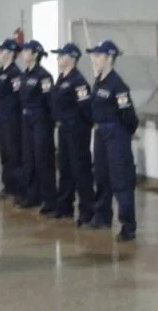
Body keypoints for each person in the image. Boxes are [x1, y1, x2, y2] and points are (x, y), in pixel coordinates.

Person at [85, 40, 139, 241]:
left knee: (121, 180)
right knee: (101, 176)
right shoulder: (98, 82)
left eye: (99, 56)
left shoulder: (118, 86)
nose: (95, 60)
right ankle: (102, 216)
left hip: (116, 135)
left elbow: (130, 117)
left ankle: (128, 226)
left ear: (109, 58)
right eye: (94, 56)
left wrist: (122, 134)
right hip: (100, 134)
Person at [50, 43, 94, 224]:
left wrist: (82, 126)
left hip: (77, 130)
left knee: (80, 170)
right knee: (65, 168)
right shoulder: (61, 78)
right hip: (64, 129)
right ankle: (65, 206)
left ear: (71, 58)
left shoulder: (79, 81)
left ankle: (87, 211)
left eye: (62, 55)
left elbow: (86, 108)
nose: (59, 58)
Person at [17, 40, 57, 213]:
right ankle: (32, 195)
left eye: (27, 51)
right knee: (29, 158)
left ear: (35, 54)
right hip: (27, 120)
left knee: (43, 159)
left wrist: (49, 122)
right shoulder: (24, 75)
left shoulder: (44, 76)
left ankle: (49, 199)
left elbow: (50, 102)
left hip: (41, 120)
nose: (24, 54)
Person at [0, 38, 23, 200]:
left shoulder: (15, 74)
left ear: (10, 53)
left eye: (2, 51)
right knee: (4, 151)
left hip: (12, 118)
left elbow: (18, 97)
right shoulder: (1, 71)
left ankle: (17, 187)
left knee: (13, 152)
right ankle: (7, 184)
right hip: (1, 117)